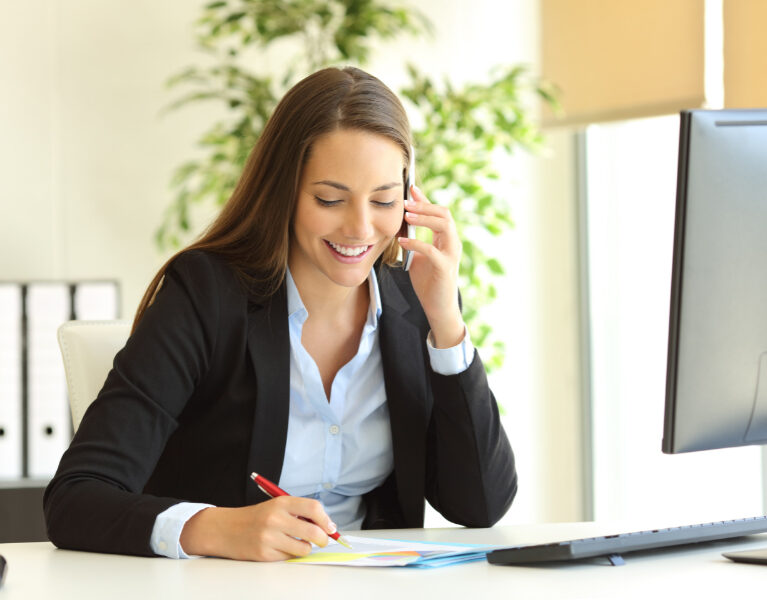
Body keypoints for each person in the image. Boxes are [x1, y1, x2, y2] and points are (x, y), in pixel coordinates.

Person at [43, 66, 516, 562]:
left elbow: (480, 504)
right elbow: (76, 498)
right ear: (283, 190)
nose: (360, 227)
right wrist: (213, 528)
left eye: (383, 200)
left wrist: (447, 325)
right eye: (330, 199)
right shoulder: (206, 294)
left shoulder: (417, 300)